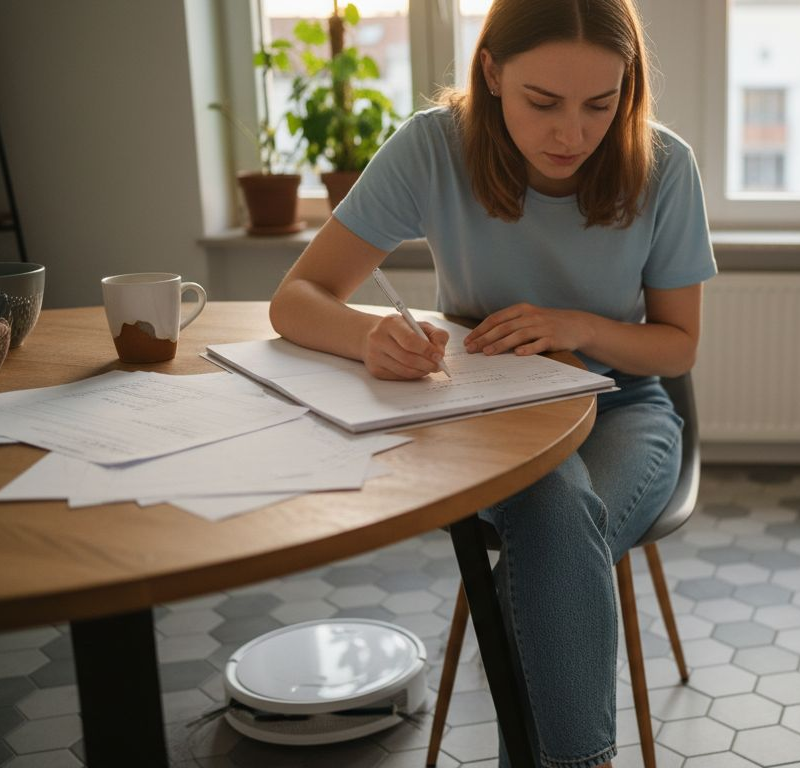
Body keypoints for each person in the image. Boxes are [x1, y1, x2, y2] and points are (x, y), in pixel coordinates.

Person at [267, 0, 716, 765]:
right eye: (543, 103)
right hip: (484, 409)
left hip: (622, 406)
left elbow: (676, 350)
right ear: (492, 73)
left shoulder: (664, 165)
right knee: (556, 517)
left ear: (626, 89)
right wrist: (370, 337)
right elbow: (296, 300)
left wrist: (576, 327)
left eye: (599, 105)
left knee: (553, 540)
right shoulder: (434, 147)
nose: (571, 134)